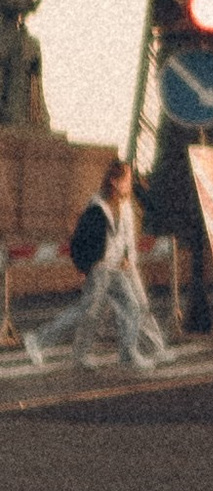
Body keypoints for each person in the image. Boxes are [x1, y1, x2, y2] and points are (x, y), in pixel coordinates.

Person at [23, 158, 170, 375]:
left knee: (131, 307)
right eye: (127, 179)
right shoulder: (97, 208)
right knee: (87, 312)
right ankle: (38, 339)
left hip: (117, 268)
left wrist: (126, 257)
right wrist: (89, 266)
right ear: (114, 181)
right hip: (101, 269)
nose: (130, 184)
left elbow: (121, 238)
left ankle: (123, 353)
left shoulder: (123, 205)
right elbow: (81, 241)